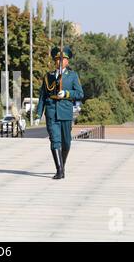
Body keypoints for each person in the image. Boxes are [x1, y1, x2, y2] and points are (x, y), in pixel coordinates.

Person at [34, 46, 83, 179]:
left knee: (66, 142)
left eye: (63, 59)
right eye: (57, 59)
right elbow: (42, 97)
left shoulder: (72, 76)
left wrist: (67, 93)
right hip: (51, 112)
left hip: (65, 112)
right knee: (55, 141)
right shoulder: (48, 76)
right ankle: (59, 170)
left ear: (67, 61)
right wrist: (38, 114)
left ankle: (62, 164)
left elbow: (80, 93)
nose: (59, 62)